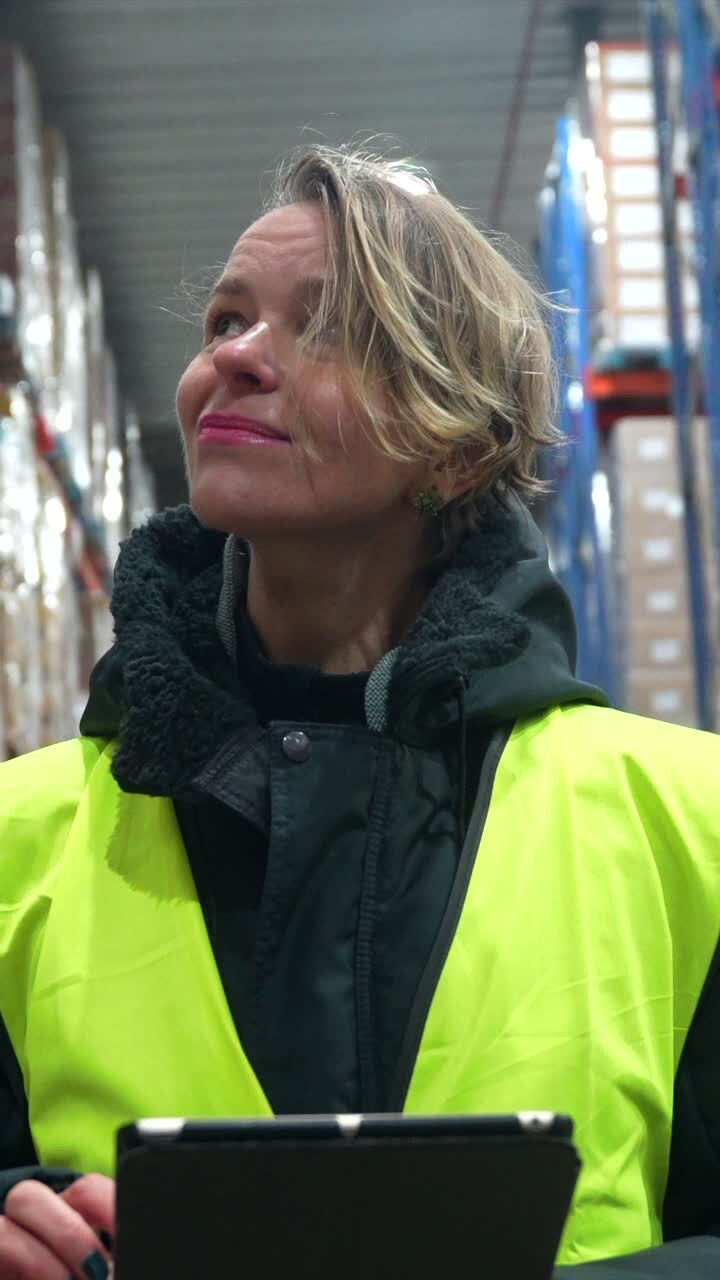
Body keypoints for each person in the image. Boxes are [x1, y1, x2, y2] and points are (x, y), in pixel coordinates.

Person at [0, 142, 718, 1280]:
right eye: (224, 320)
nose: (236, 356)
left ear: (461, 445)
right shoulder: (17, 835)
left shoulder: (689, 819)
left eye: (324, 328)